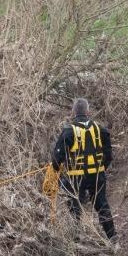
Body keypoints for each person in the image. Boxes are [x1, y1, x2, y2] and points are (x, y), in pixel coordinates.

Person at [50, 98, 116, 241]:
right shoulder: (100, 129)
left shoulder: (68, 131)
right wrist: (101, 168)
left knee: (75, 208)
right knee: (102, 205)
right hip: (97, 176)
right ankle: (113, 238)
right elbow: (109, 155)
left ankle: (77, 239)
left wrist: (56, 169)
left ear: (73, 112)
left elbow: (57, 158)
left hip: (76, 177)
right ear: (88, 111)